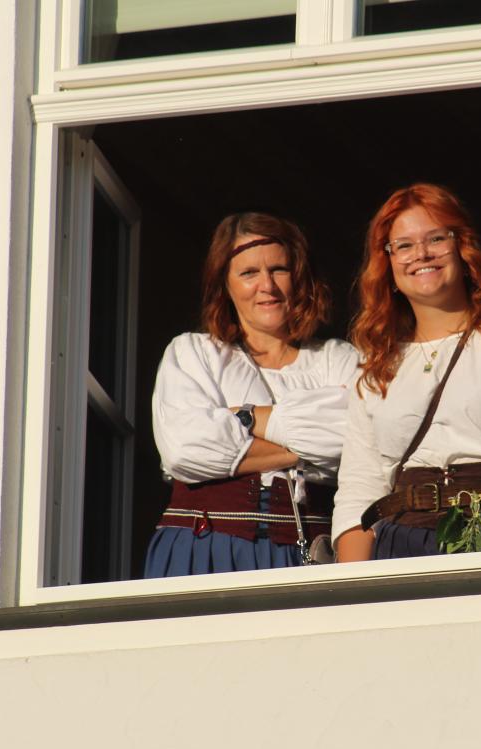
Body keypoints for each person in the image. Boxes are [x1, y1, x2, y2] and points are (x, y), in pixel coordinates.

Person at [333, 184, 481, 561]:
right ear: (387, 264)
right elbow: (360, 488)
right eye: (403, 245)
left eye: (436, 238)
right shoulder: (379, 362)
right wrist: (348, 593)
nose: (421, 254)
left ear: (462, 246)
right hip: (401, 544)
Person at [145, 212, 359, 576]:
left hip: (309, 550)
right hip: (205, 544)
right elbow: (184, 449)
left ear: (300, 277)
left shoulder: (338, 359)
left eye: (279, 269)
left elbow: (354, 442)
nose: (267, 286)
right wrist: (303, 446)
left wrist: (244, 419)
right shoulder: (194, 353)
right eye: (248, 273)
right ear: (224, 284)